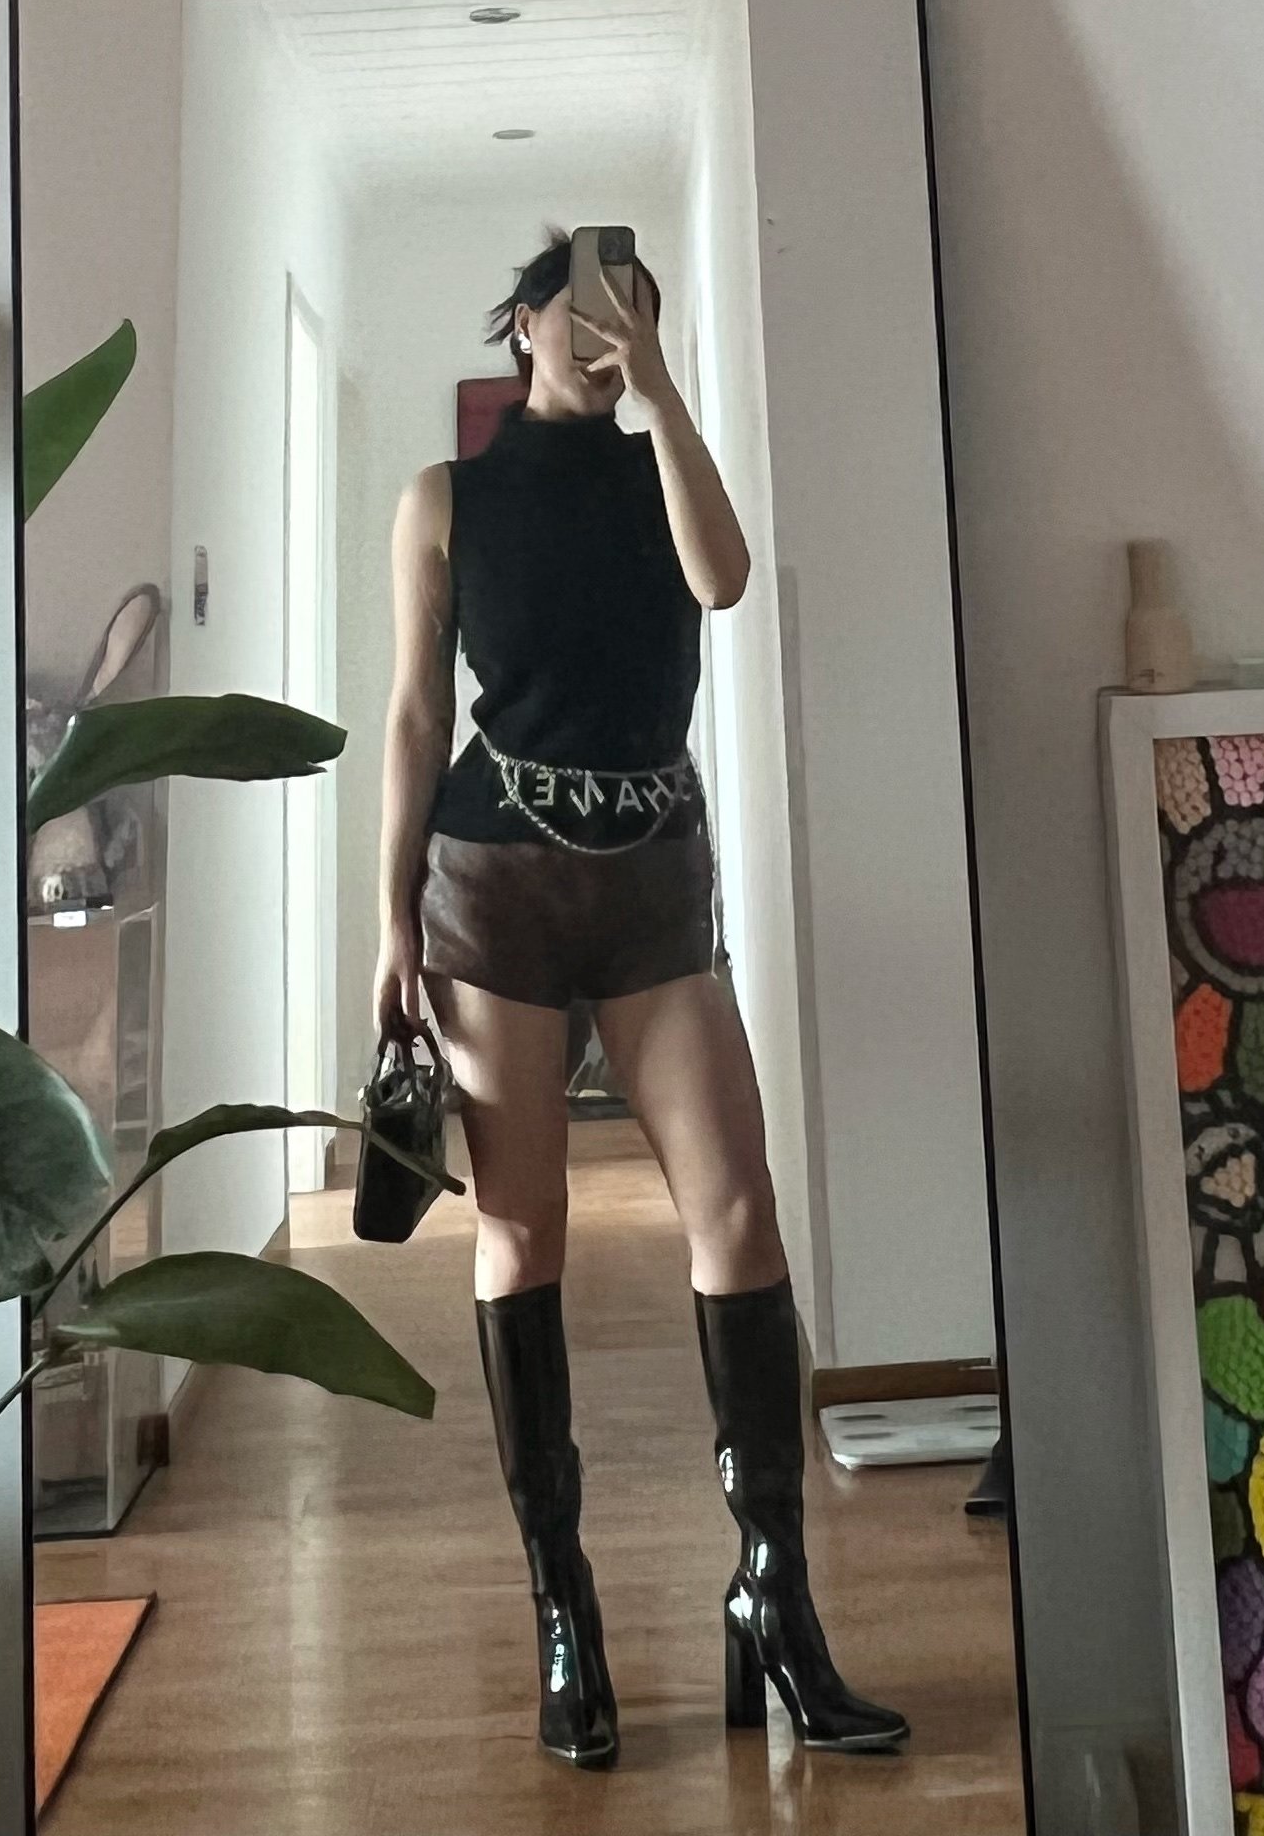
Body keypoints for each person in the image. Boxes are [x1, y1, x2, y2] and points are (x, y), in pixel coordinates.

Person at [373, 226, 908, 1773]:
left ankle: (774, 1597)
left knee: (738, 1211)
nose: (611, 331)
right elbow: (414, 713)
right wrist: (387, 915)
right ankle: (567, 1612)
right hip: (493, 889)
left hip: (656, 879)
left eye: (639, 311)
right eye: (591, 307)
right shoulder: (446, 496)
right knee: (521, 1231)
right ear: (526, 321)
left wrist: (662, 388)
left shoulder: (660, 459)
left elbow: (722, 579)